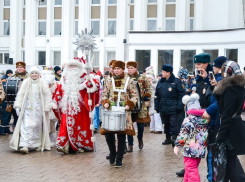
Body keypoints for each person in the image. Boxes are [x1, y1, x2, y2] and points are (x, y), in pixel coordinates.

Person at [53, 58, 99, 154]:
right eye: (70, 66)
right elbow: (60, 90)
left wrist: (89, 84)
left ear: (79, 67)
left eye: (74, 66)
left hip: (81, 105)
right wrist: (56, 101)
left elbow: (95, 86)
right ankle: (65, 145)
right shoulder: (64, 77)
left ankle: (82, 144)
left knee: (81, 124)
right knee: (65, 124)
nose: (72, 68)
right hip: (67, 105)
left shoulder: (85, 75)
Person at [101, 60, 138, 167]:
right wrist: (105, 102)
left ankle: (119, 158)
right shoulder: (108, 80)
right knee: (108, 135)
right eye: (115, 68)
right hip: (110, 111)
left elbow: (134, 96)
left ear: (122, 69)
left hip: (124, 112)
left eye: (118, 69)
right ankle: (112, 153)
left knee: (122, 136)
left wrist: (129, 104)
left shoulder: (129, 81)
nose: (116, 71)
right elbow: (104, 94)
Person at [212, 61, 245, 182]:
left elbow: (226, 114)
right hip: (236, 125)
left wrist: (220, 136)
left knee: (231, 164)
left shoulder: (230, 89)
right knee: (230, 161)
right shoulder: (239, 87)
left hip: (230, 128)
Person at [9, 66, 51, 154]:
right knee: (27, 126)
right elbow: (20, 95)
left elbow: (47, 95)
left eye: (36, 73)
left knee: (36, 126)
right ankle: (25, 145)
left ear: (38, 74)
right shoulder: (26, 82)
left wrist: (47, 107)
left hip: (39, 109)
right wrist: (18, 106)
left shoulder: (43, 83)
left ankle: (36, 144)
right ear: (30, 74)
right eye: (32, 73)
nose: (34, 74)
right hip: (27, 108)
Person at [174, 93, 208, 182]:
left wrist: (177, 145)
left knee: (191, 169)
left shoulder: (188, 120)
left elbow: (183, 134)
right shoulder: (204, 119)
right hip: (200, 149)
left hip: (190, 150)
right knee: (190, 168)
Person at [155, 65, 185, 146]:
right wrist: (156, 106)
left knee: (173, 123)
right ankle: (167, 138)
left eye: (163, 72)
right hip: (163, 107)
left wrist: (179, 106)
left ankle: (174, 138)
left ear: (168, 73)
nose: (161, 73)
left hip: (173, 107)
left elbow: (181, 95)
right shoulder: (160, 82)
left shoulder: (177, 82)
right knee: (166, 123)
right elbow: (157, 95)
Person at [126, 61, 151, 152]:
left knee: (140, 125)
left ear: (136, 68)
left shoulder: (142, 77)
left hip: (140, 104)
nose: (130, 70)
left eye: (132, 68)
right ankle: (130, 144)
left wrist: (147, 95)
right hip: (130, 104)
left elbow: (148, 87)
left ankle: (140, 139)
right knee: (129, 125)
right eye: (128, 68)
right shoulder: (126, 78)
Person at [41, 70, 60, 147]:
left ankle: (52, 140)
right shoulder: (41, 84)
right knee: (44, 123)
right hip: (43, 106)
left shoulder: (57, 85)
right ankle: (45, 139)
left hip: (52, 107)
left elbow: (59, 95)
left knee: (52, 123)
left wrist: (55, 103)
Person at [0, 70, 12, 135]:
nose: (10, 75)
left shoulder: (10, 80)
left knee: (8, 115)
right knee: (4, 115)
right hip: (4, 100)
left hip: (9, 100)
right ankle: (1, 130)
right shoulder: (3, 80)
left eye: (11, 73)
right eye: (9, 73)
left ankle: (7, 129)